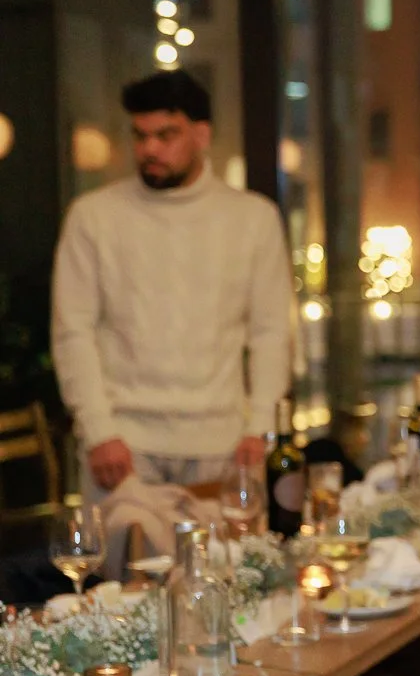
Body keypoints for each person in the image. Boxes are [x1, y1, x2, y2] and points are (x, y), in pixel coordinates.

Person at [52, 72, 289, 495]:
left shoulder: (253, 219)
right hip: (122, 448)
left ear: (202, 134)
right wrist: (99, 430)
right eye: (140, 136)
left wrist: (261, 427)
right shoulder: (93, 217)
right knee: (121, 563)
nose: (149, 149)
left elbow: (271, 332)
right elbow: (73, 331)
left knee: (227, 562)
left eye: (166, 135)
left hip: (225, 445)